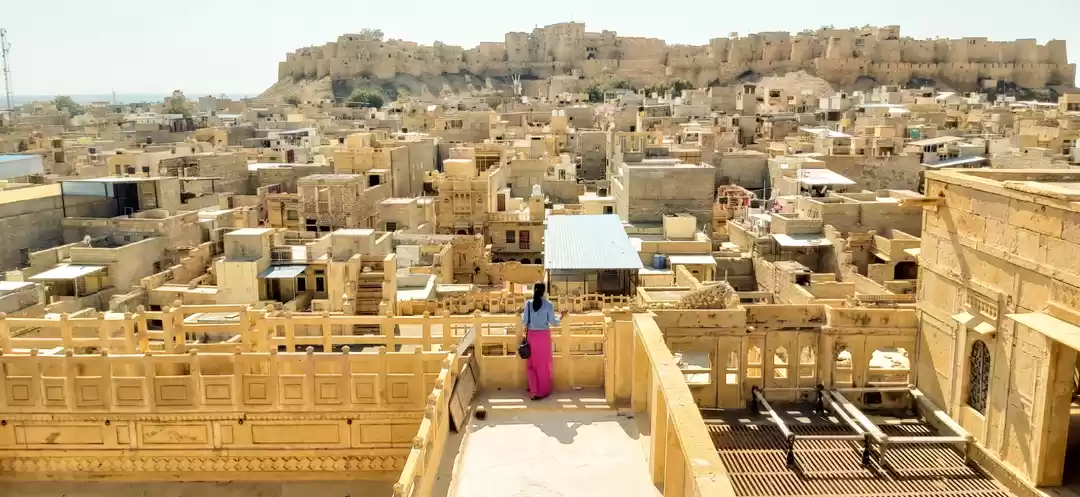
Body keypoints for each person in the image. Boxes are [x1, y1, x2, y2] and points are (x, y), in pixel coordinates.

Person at [521, 283, 567, 400]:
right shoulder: (548, 304)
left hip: (531, 336)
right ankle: (542, 391)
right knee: (543, 365)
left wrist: (520, 314)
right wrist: (561, 316)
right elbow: (554, 322)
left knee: (531, 365)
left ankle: (533, 390)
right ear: (544, 291)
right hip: (543, 338)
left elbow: (525, 321)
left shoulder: (528, 304)